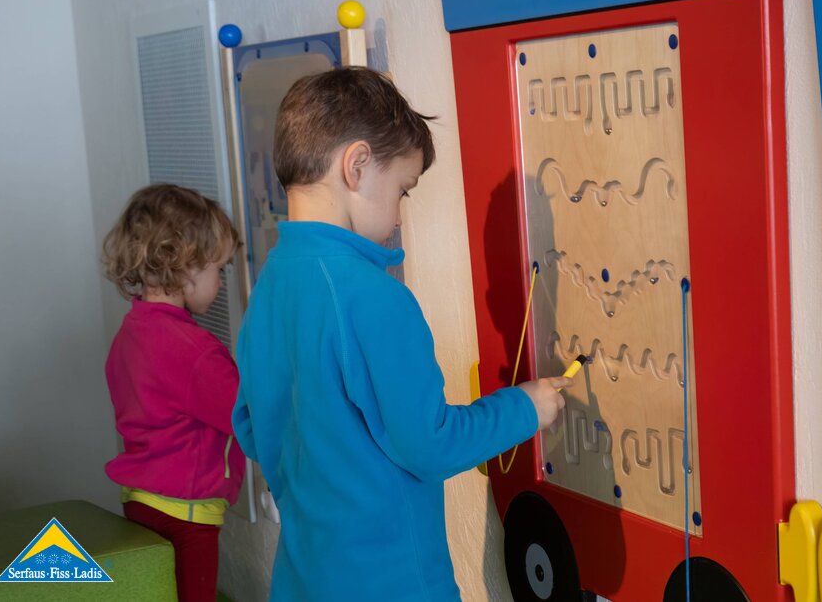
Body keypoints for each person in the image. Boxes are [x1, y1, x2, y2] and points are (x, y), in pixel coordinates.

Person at [234, 67, 570, 600]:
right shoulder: (374, 297)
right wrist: (526, 408)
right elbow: (429, 444)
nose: (396, 218)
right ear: (357, 166)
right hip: (392, 583)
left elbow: (250, 429)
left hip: (302, 579)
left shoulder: (269, 287)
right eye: (402, 190)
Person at [101, 183, 245, 602]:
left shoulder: (130, 334)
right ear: (183, 266)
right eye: (219, 269)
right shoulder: (195, 351)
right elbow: (245, 413)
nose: (221, 283)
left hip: (140, 500)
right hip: (186, 511)